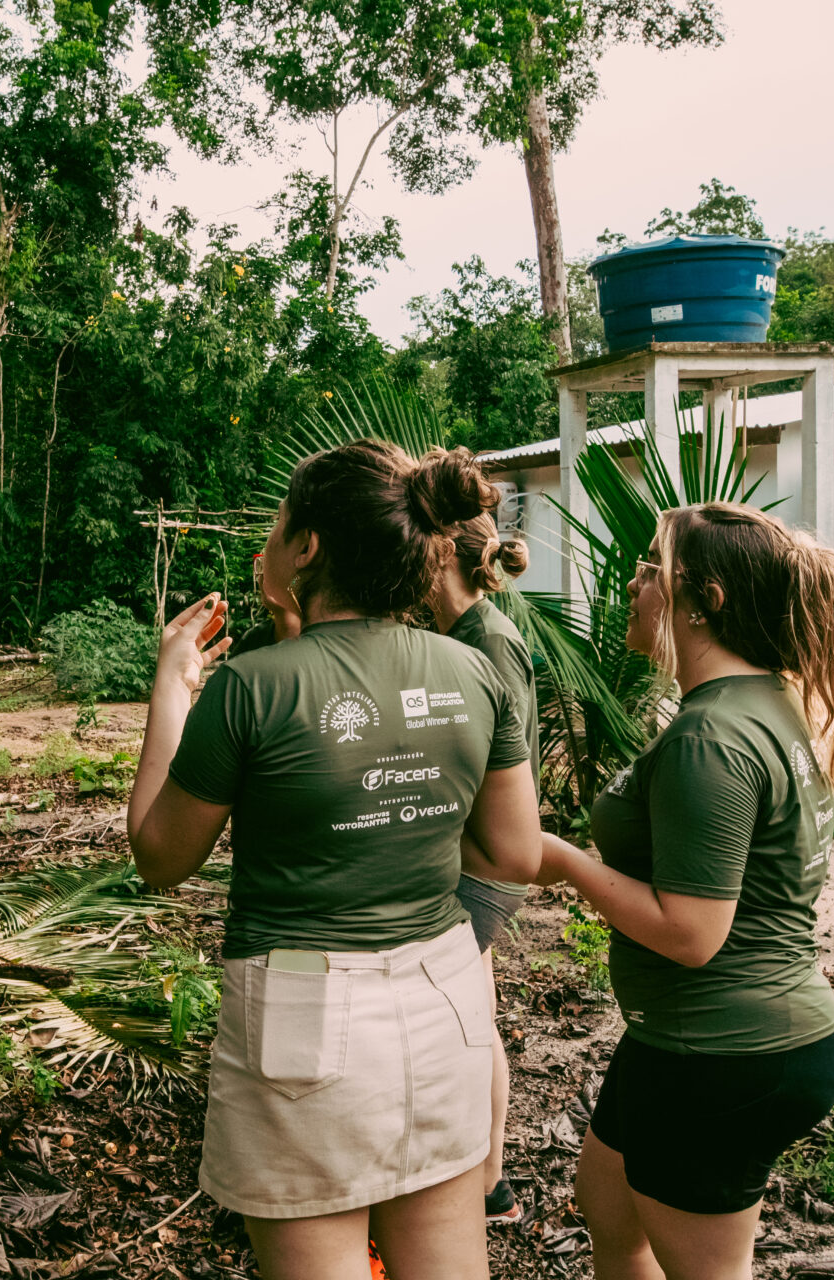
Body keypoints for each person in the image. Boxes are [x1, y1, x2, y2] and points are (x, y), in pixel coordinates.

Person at [128, 441, 545, 1280]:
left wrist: (171, 693)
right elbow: (515, 850)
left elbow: (160, 857)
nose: (269, 544)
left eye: (279, 525)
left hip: (301, 1015)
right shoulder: (475, 669)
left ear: (309, 547)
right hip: (447, 999)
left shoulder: (252, 685)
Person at [478, 501, 834, 1280]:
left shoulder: (710, 739)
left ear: (704, 600)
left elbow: (692, 933)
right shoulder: (765, 703)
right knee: (608, 1203)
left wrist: (565, 861)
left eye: (652, 567)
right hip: (697, 1037)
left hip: (724, 1051)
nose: (632, 580)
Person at [426, 515, 536, 1227]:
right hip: (457, 851)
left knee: (460, 1018)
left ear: (438, 552)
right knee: (476, 1016)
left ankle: (483, 1178)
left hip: (486, 860)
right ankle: (490, 1182)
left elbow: (505, 770)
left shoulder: (490, 640)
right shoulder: (448, 634)